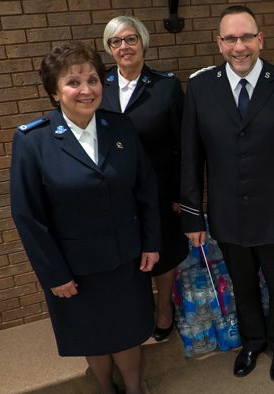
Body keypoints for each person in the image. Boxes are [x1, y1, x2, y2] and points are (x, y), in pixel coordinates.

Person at [10, 41, 168, 394]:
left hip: (126, 257)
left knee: (129, 330)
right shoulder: (34, 141)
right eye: (73, 82)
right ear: (54, 91)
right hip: (74, 270)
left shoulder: (121, 127)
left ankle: (135, 391)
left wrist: (151, 243)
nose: (86, 89)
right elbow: (28, 216)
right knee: (91, 334)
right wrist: (54, 275)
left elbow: (146, 189)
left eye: (93, 79)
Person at [179, 5, 274, 383]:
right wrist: (193, 215)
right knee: (242, 284)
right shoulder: (201, 87)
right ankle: (252, 342)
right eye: (230, 39)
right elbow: (191, 157)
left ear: (260, 39)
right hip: (227, 213)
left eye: (246, 37)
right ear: (219, 43)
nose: (239, 47)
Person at [100, 16, 189, 342]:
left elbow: (184, 143)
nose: (124, 47)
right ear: (109, 49)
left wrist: (183, 192)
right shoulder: (99, 85)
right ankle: (137, 311)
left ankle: (164, 308)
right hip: (116, 193)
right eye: (116, 41)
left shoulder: (166, 86)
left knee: (162, 252)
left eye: (130, 39)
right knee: (128, 255)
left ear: (143, 42)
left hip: (161, 190)